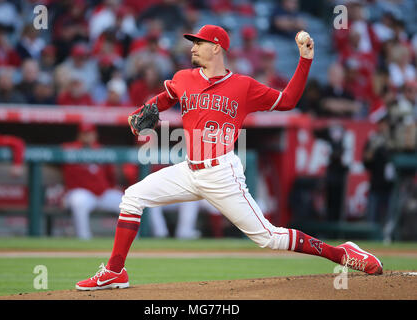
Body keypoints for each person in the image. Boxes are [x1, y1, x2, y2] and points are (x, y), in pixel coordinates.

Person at [76, 25, 383, 291]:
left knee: (269, 238)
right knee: (132, 197)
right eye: (193, 42)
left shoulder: (243, 86)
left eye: (199, 43)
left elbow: (288, 100)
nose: (194, 47)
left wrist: (305, 60)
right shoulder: (184, 77)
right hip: (188, 170)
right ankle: (115, 272)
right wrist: (146, 110)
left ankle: (340, 253)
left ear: (216, 47)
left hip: (222, 173)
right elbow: (167, 97)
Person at [61, 123, 124, 239]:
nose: (87, 137)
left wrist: (110, 187)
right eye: (84, 134)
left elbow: (111, 175)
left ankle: (132, 239)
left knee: (127, 203)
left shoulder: (102, 150)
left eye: (90, 134)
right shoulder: (69, 149)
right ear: (79, 135)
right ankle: (84, 239)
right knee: (79, 202)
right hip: (80, 193)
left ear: (95, 135)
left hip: (102, 194)